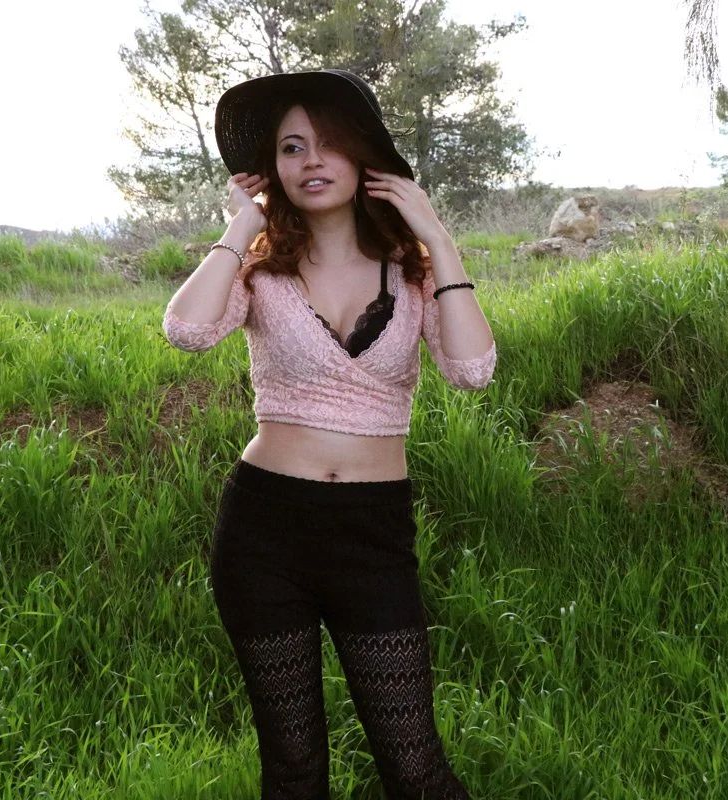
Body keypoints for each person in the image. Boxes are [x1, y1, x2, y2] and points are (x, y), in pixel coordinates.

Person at [162, 69, 495, 800]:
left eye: (328, 144)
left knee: (414, 765)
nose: (309, 161)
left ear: (363, 158)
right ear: (272, 170)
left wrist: (437, 237)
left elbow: (472, 371)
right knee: (293, 767)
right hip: (262, 532)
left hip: (372, 535)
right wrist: (240, 225)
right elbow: (185, 329)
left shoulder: (413, 273)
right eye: (290, 147)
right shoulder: (261, 273)